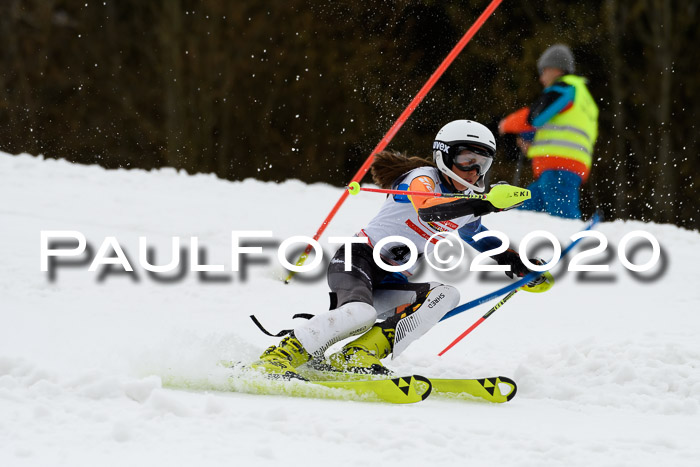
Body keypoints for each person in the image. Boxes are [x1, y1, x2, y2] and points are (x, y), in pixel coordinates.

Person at [252, 120, 553, 380]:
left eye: (482, 163)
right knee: (360, 312)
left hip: (392, 279)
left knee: (446, 294)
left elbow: (480, 237)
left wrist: (519, 263)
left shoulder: (467, 204)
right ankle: (282, 354)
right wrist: (486, 202)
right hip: (358, 261)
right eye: (466, 159)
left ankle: (358, 355)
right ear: (444, 156)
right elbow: (429, 211)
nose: (474, 170)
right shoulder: (422, 178)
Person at [499, 44, 599, 219]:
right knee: (521, 213)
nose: (541, 78)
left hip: (557, 168)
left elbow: (535, 117)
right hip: (566, 165)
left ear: (556, 69)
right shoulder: (585, 99)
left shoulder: (565, 88)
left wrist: (506, 124)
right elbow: (564, 132)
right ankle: (509, 234)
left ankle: (574, 241)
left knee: (563, 218)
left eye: (543, 71)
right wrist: (533, 147)